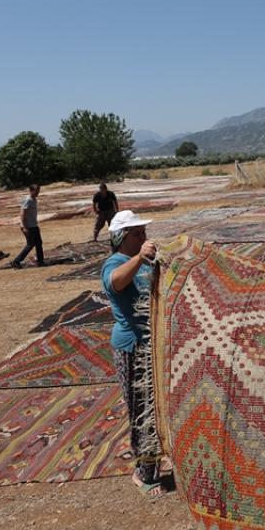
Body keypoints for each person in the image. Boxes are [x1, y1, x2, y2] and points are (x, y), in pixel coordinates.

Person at [102, 210, 167, 499]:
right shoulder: (115, 263)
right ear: (122, 238)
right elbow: (115, 282)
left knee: (156, 406)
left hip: (149, 344)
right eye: (137, 234)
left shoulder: (140, 261)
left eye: (143, 233)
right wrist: (140, 258)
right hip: (132, 346)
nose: (144, 238)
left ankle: (154, 458)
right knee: (142, 410)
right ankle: (143, 474)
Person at [10, 184, 44, 268]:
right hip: (29, 226)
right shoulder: (28, 200)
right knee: (30, 244)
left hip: (34, 225)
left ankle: (40, 261)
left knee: (39, 243)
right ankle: (16, 261)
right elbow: (22, 214)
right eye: (36, 191)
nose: (38, 193)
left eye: (38, 191)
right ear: (31, 190)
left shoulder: (34, 199)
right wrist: (24, 227)